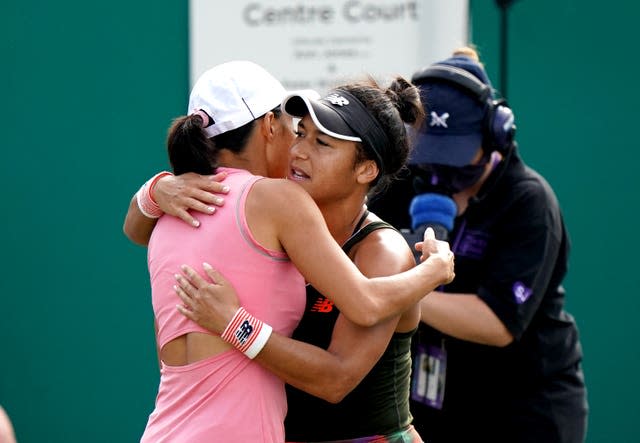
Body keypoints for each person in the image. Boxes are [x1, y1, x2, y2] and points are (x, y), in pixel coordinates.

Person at [124, 60, 454, 442]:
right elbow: (138, 227)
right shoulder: (270, 219)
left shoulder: (382, 250)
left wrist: (434, 270)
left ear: (365, 170)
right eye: (300, 133)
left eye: (322, 143)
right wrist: (155, 190)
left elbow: (337, 379)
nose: (299, 151)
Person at [367, 46, 588, 443]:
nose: (440, 172)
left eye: (454, 158)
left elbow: (498, 323)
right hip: (431, 399)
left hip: (522, 405)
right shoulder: (400, 183)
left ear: (496, 135)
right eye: (429, 156)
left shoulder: (529, 201)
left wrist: (398, 291)